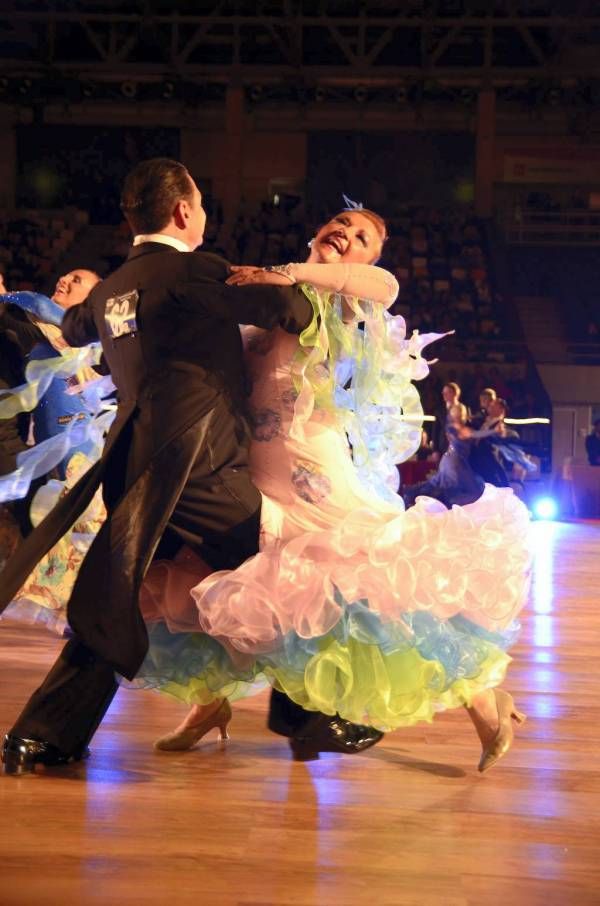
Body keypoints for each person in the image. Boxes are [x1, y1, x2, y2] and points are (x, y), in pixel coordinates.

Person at [1, 157, 376, 775]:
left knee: (122, 597)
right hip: (199, 471)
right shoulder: (195, 271)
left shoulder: (111, 287)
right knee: (292, 566)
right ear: (182, 212)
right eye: (200, 204)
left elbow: (70, 324)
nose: (203, 214)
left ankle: (41, 736)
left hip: (129, 469)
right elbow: (294, 314)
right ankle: (302, 715)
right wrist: (285, 286)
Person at [135, 206, 530, 772]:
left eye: (362, 235)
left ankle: (486, 702)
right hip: (252, 477)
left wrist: (290, 270)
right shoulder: (267, 297)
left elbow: (383, 283)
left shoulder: (346, 300)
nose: (346, 233)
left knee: (384, 601)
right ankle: (209, 706)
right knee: (223, 590)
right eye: (339, 223)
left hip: (313, 477)